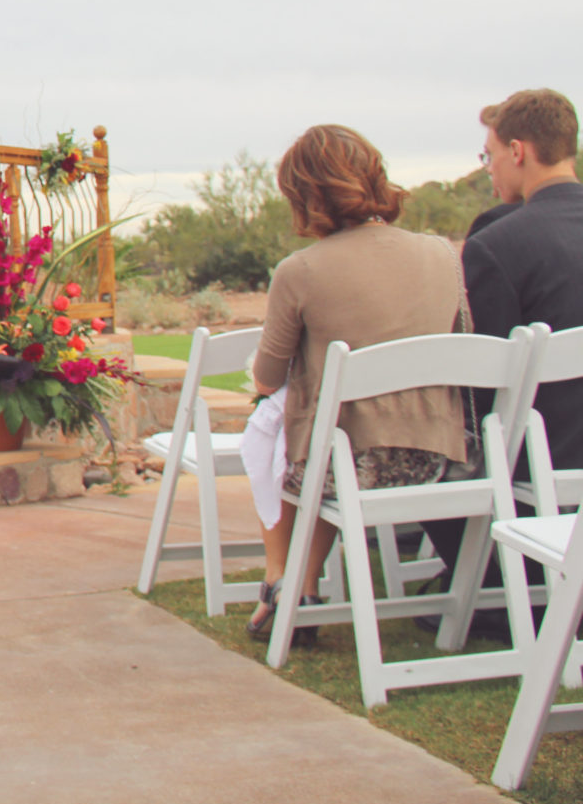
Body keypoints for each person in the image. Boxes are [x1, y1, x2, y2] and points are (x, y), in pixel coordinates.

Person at [244, 125, 467, 641]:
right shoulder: (443, 254)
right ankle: (294, 586)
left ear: (302, 195)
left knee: (281, 434)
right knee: (322, 439)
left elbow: (266, 376)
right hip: (439, 457)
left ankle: (284, 581)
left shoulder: (300, 271)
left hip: (351, 468)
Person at [465, 89, 583, 468]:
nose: (489, 167)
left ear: (517, 152)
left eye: (489, 155)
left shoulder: (495, 245)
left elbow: (484, 389)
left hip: (545, 471)